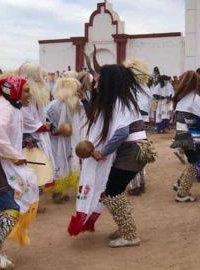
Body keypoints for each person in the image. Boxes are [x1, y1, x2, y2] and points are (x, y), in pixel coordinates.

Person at [68, 65, 155, 248]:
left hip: (132, 153)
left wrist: (103, 152)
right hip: (134, 152)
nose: (95, 81)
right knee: (115, 190)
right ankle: (126, 228)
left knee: (112, 190)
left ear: (108, 81)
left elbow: (122, 132)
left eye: (99, 79)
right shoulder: (121, 100)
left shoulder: (119, 102)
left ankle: (130, 234)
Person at [0, 77, 39, 269]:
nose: (30, 94)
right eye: (26, 90)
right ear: (13, 90)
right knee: (10, 208)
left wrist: (22, 143)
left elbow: (5, 134)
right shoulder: (4, 108)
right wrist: (13, 154)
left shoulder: (11, 106)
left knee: (3, 208)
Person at [171, 71, 200, 202]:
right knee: (196, 163)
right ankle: (182, 193)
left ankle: (179, 183)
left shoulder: (183, 98)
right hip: (191, 137)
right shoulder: (195, 99)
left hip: (182, 135)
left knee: (193, 160)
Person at [17, 63, 56, 190]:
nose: (41, 80)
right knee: (31, 168)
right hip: (29, 137)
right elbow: (25, 117)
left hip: (40, 134)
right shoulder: (24, 96)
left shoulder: (37, 96)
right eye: (37, 77)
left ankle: (34, 198)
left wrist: (46, 125)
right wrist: (42, 127)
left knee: (38, 167)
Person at [46, 78, 84, 204]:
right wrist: (56, 130)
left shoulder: (55, 104)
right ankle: (57, 192)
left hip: (68, 140)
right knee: (60, 162)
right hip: (59, 140)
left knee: (63, 162)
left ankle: (60, 192)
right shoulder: (60, 105)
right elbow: (46, 121)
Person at [123, 58, 153, 196]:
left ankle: (136, 185)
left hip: (134, 122)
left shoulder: (132, 88)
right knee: (140, 152)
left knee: (134, 153)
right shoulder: (144, 88)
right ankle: (140, 183)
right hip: (141, 122)